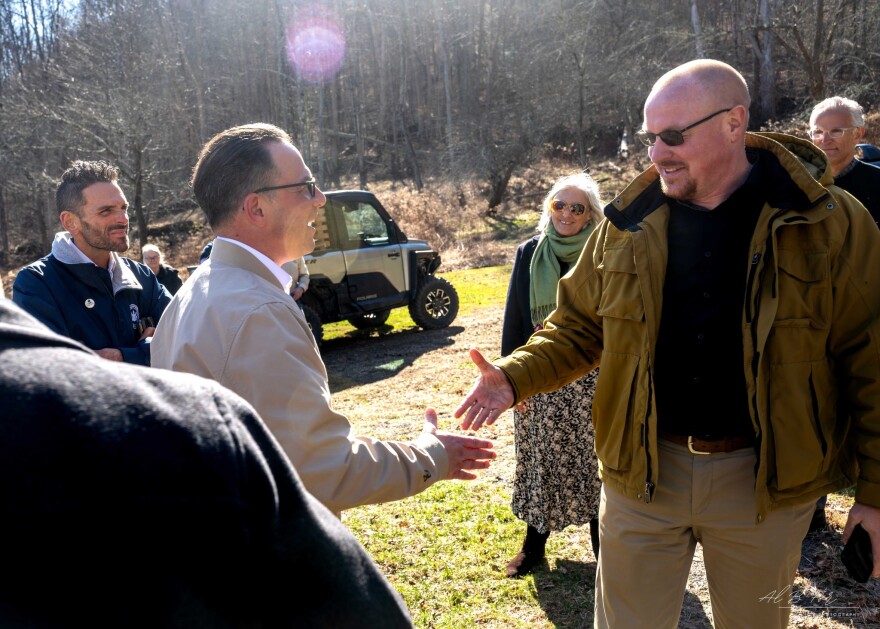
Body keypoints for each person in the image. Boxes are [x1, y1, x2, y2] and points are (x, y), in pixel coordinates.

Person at [455, 59, 880, 628]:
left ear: (734, 123)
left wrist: (874, 494)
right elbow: (579, 325)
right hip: (641, 473)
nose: (656, 153)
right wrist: (514, 375)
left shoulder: (829, 222)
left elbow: (871, 357)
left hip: (765, 483)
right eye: (649, 137)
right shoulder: (629, 221)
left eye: (674, 136)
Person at [0, 297, 412, 627]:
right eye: (307, 187)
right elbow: (353, 604)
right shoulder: (194, 420)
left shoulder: (167, 292)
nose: (319, 200)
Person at [152, 123, 495, 514]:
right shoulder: (259, 312)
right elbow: (324, 471)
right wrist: (432, 455)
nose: (320, 199)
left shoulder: (191, 295)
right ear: (256, 207)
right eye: (306, 186)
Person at [501, 172, 603, 578]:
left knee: (598, 460)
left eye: (576, 207)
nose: (566, 213)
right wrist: (512, 380)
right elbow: (514, 317)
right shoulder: (530, 252)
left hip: (592, 372)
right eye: (559, 205)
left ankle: (605, 550)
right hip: (541, 371)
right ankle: (533, 546)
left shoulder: (603, 249)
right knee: (541, 458)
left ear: (590, 214)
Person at [12, 160, 170, 365]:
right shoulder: (37, 283)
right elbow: (48, 367)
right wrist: (148, 352)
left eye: (124, 208)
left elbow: (184, 336)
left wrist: (123, 357)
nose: (123, 219)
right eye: (106, 211)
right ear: (70, 222)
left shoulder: (142, 277)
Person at [809, 96, 880, 223]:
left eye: (836, 131)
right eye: (818, 132)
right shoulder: (799, 183)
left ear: (857, 134)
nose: (825, 140)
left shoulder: (877, 183)